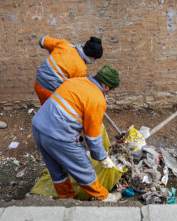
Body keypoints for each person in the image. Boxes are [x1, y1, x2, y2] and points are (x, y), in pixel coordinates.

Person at [32, 65, 121, 201]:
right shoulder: (97, 99)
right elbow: (92, 136)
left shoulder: (75, 81)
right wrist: (102, 157)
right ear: (106, 87)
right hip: (59, 136)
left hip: (39, 128)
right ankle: (104, 197)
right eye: (111, 90)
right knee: (83, 169)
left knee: (56, 169)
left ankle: (67, 198)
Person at [35, 35, 103, 105]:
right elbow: (73, 88)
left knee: (45, 107)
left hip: (38, 81)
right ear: (91, 56)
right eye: (95, 59)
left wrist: (53, 49)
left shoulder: (64, 45)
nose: (94, 61)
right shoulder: (81, 69)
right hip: (49, 91)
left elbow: (42, 40)